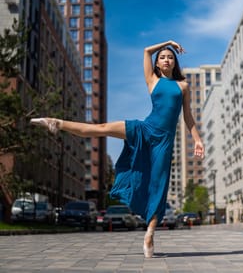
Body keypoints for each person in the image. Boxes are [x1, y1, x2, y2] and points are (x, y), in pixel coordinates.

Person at [31, 40, 204, 258]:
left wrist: (197, 139)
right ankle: (55, 122)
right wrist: (168, 42)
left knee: (158, 186)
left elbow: (187, 116)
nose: (167, 59)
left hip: (164, 142)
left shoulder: (183, 86)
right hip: (145, 129)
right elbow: (145, 50)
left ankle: (150, 232)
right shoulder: (153, 80)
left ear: (174, 62)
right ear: (157, 64)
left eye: (170, 57)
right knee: (101, 127)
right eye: (163, 57)